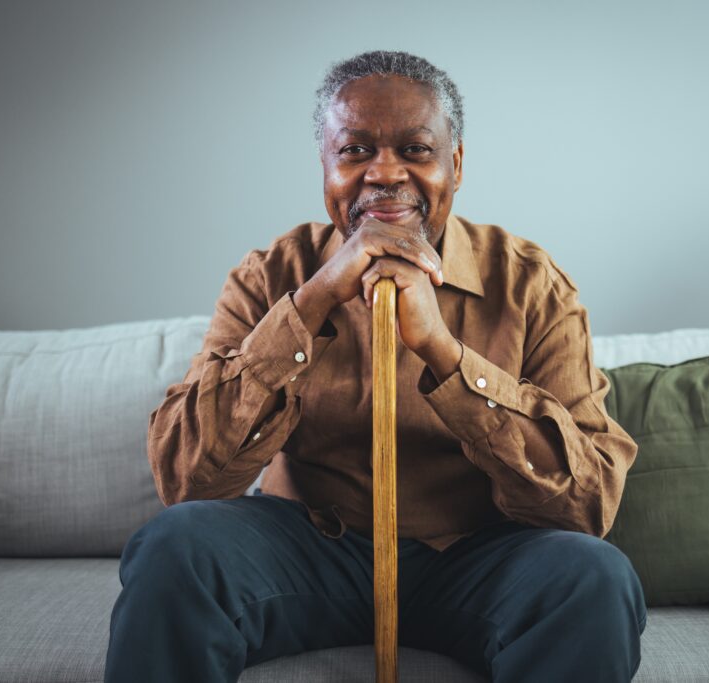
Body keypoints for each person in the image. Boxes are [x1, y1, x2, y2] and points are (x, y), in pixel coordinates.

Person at [105, 50, 646, 683]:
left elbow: (587, 507)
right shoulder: (269, 277)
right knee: (175, 549)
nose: (383, 174)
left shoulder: (531, 283)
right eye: (355, 150)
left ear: (457, 164)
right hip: (306, 552)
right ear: (326, 167)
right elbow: (186, 481)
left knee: (595, 578)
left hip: (477, 559)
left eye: (416, 150)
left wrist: (444, 352)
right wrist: (311, 303)